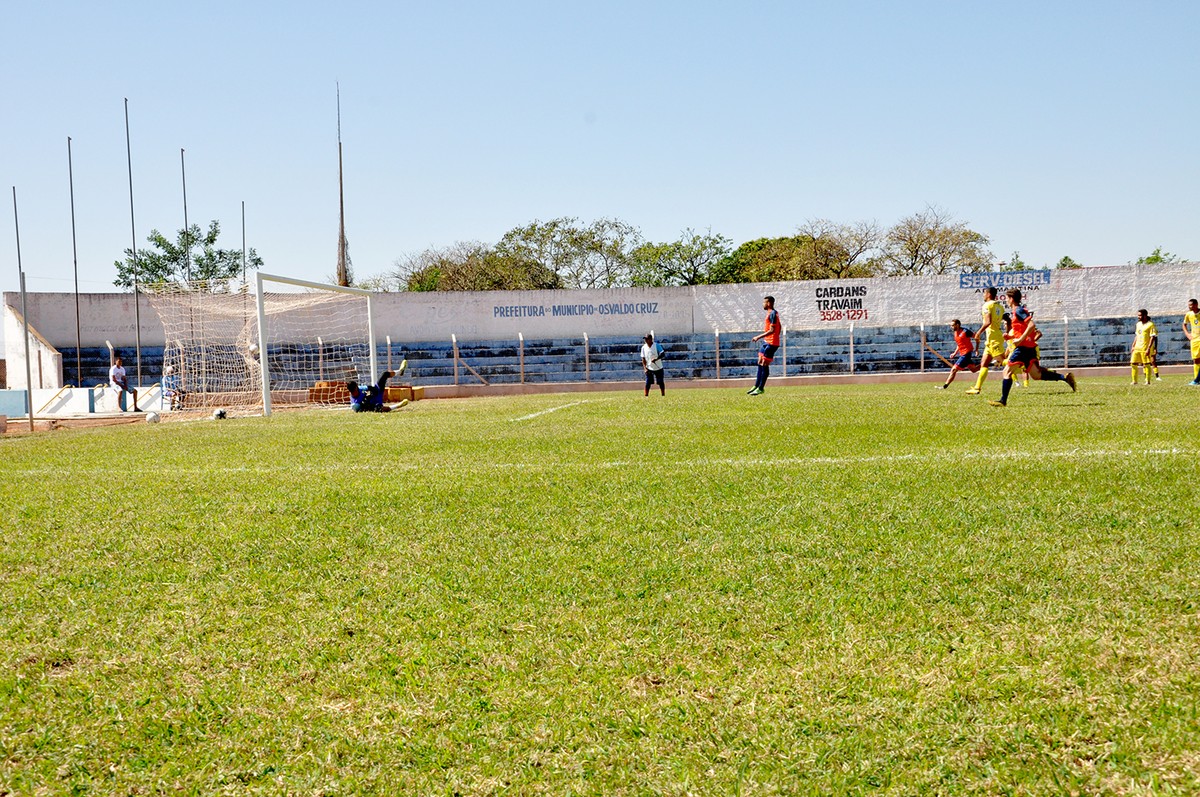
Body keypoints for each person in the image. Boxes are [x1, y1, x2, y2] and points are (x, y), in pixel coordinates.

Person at [989, 288, 1076, 407]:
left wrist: (1020, 339)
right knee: (1036, 375)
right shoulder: (1017, 312)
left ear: (1011, 299)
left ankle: (1003, 401)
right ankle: (1064, 377)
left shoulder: (1019, 310)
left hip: (1023, 347)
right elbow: (1023, 329)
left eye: (1007, 298)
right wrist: (1010, 337)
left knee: (1006, 372)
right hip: (1028, 348)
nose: (1007, 301)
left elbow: (1031, 325)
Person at [967, 286, 1005, 395]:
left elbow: (988, 322)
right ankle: (977, 388)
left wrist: (978, 333)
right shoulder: (999, 306)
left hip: (993, 338)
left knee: (1004, 362)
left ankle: (1024, 366)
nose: (983, 295)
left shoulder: (987, 305)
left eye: (984, 293)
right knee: (984, 363)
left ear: (988, 294)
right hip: (993, 336)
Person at [748, 295, 781, 396]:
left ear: (769, 303)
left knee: (764, 364)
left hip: (771, 343)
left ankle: (761, 388)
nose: (763, 304)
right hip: (767, 341)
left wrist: (758, 337)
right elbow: (780, 327)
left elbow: (772, 330)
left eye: (764, 302)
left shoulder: (773, 314)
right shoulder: (770, 313)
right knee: (760, 361)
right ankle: (756, 385)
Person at [938, 319, 979, 388]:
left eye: (952, 325)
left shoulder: (965, 331)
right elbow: (959, 344)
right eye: (951, 325)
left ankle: (944, 386)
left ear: (957, 325)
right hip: (962, 353)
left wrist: (977, 349)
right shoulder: (955, 333)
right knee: (974, 370)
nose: (951, 327)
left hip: (966, 354)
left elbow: (977, 337)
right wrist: (954, 353)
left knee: (954, 369)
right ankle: (987, 363)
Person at [1130, 309, 1159, 385]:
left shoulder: (1150, 325)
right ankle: (1134, 381)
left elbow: (1152, 337)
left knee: (1146, 364)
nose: (1138, 317)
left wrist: (1149, 348)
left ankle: (1147, 381)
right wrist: (1133, 345)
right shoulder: (1138, 324)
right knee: (1133, 363)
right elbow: (1137, 335)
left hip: (1145, 348)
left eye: (1140, 315)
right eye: (1138, 315)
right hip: (1137, 347)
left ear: (1145, 315)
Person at [1185, 298, 1200, 386]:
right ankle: (1196, 380)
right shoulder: (1188, 314)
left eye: (1191, 305)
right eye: (1189, 305)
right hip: (1194, 339)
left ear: (1196, 304)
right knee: (1196, 360)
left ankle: (1197, 380)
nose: (1189, 307)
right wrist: (1187, 334)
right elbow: (1184, 324)